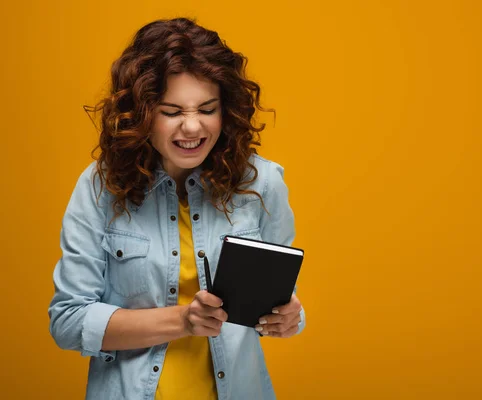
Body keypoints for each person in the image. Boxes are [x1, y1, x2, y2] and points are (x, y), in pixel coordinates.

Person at [48, 17, 305, 400]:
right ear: (141, 115)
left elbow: (280, 302)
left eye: (207, 109)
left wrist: (290, 318)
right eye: (171, 112)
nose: (192, 127)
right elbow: (69, 321)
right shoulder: (100, 186)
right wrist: (183, 320)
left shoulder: (262, 183)